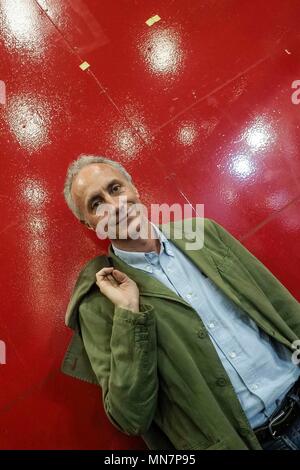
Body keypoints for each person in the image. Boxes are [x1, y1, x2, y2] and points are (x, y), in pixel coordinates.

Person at [61, 154, 300, 450]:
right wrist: (128, 314)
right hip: (250, 442)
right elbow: (130, 417)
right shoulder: (97, 304)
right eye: (96, 204)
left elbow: (281, 307)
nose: (115, 206)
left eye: (115, 188)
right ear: (88, 223)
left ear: (133, 189)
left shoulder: (204, 234)